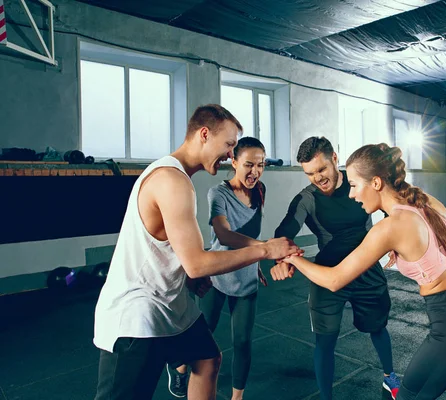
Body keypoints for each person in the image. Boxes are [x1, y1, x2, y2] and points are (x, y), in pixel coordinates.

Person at [276, 143, 446, 400]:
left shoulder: (389, 227)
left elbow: (334, 280)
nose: (352, 194)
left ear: (376, 183)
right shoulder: (425, 200)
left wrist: (293, 258)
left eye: (355, 185)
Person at [93, 104, 299, 400]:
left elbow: (170, 247)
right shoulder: (172, 181)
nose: (231, 155)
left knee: (208, 359)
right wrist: (265, 250)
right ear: (204, 134)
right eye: (229, 145)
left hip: (170, 305)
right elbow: (198, 264)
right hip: (136, 316)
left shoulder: (176, 176)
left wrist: (186, 277)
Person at [270, 137, 400, 399]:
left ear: (335, 160)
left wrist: (394, 238)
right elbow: (283, 233)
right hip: (328, 274)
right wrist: (280, 260)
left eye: (321, 169)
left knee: (377, 327)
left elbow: (390, 201)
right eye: (309, 173)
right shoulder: (307, 199)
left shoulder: (358, 182)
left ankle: (391, 378)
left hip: (367, 269)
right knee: (325, 341)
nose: (317, 178)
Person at [166, 137, 269, 400]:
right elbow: (223, 235)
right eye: (248, 164)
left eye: (261, 165)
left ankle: (237, 397)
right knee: (203, 333)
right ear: (234, 162)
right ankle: (179, 367)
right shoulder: (218, 194)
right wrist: (264, 249)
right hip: (217, 277)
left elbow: (249, 233)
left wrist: (254, 261)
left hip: (246, 280)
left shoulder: (260, 190)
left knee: (243, 342)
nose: (255, 171)